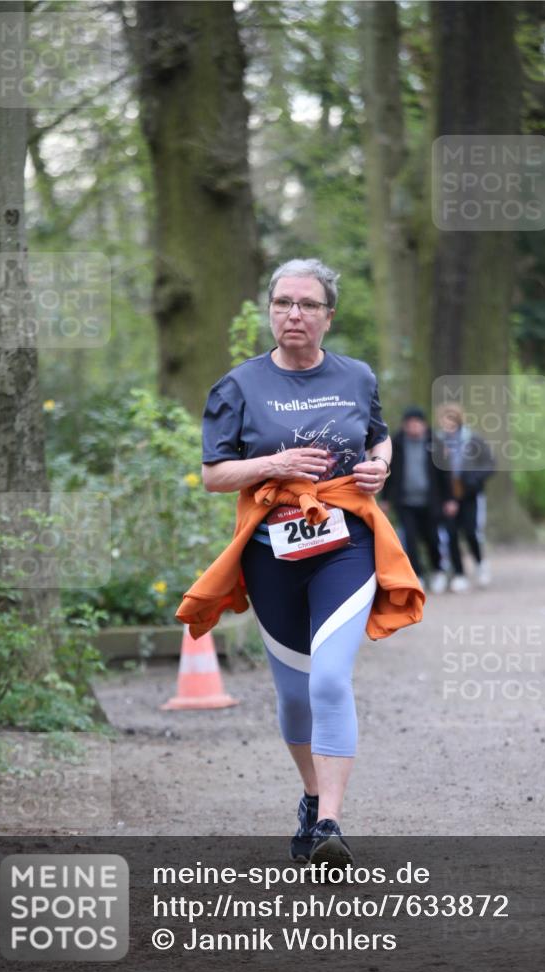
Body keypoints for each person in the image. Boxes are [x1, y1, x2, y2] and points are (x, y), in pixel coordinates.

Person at [175, 258, 423, 867]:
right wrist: (273, 466)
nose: (294, 314)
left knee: (331, 680)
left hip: (346, 546)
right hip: (271, 555)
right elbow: (213, 474)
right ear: (270, 310)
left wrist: (380, 467)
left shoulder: (357, 376)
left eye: (308, 305)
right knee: (294, 697)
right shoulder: (238, 386)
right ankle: (312, 799)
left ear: (328, 316)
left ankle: (330, 823)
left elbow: (378, 435)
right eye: (284, 302)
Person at [381, 406, 452, 594]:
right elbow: (389, 474)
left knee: (432, 539)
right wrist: (385, 499)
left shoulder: (435, 443)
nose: (413, 427)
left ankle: (438, 571)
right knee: (409, 540)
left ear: (424, 424)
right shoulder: (395, 443)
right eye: (409, 424)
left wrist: (449, 499)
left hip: (430, 502)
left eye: (416, 423)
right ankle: (416, 575)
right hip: (405, 502)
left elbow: (445, 474)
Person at [435, 403, 495, 593]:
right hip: (447, 494)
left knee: (470, 531)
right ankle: (459, 574)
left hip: (469, 494)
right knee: (450, 534)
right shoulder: (437, 441)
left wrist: (474, 479)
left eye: (452, 418)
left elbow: (489, 464)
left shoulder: (473, 439)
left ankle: (480, 563)